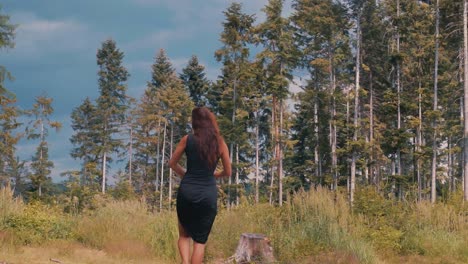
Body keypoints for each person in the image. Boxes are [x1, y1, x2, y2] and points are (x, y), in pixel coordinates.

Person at [169, 106, 231, 264]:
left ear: (195, 122)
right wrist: (213, 175)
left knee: (184, 236)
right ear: (210, 121)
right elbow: (228, 172)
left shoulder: (187, 139)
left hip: (187, 191)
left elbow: (172, 163)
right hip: (207, 195)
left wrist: (187, 175)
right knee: (199, 242)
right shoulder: (220, 142)